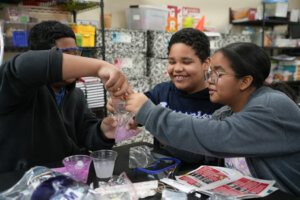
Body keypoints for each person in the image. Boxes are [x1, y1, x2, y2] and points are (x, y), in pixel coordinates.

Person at [125, 42, 300, 196]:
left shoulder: (271, 105)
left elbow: (218, 136)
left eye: (219, 74)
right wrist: (151, 123)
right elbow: (198, 150)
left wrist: (149, 113)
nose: (210, 80)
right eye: (210, 73)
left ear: (245, 81)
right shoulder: (227, 112)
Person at [0, 21, 129, 173]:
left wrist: (103, 131)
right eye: (66, 53)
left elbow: (86, 133)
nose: (74, 60)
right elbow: (23, 64)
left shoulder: (75, 95)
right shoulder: (19, 89)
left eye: (75, 53)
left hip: (65, 181)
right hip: (22, 184)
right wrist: (100, 66)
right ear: (44, 55)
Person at [108, 28, 223, 165]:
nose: (177, 68)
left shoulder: (220, 98)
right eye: (172, 62)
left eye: (186, 62)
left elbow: (214, 153)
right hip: (163, 174)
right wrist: (121, 104)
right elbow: (134, 113)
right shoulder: (161, 92)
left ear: (206, 63)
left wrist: (165, 134)